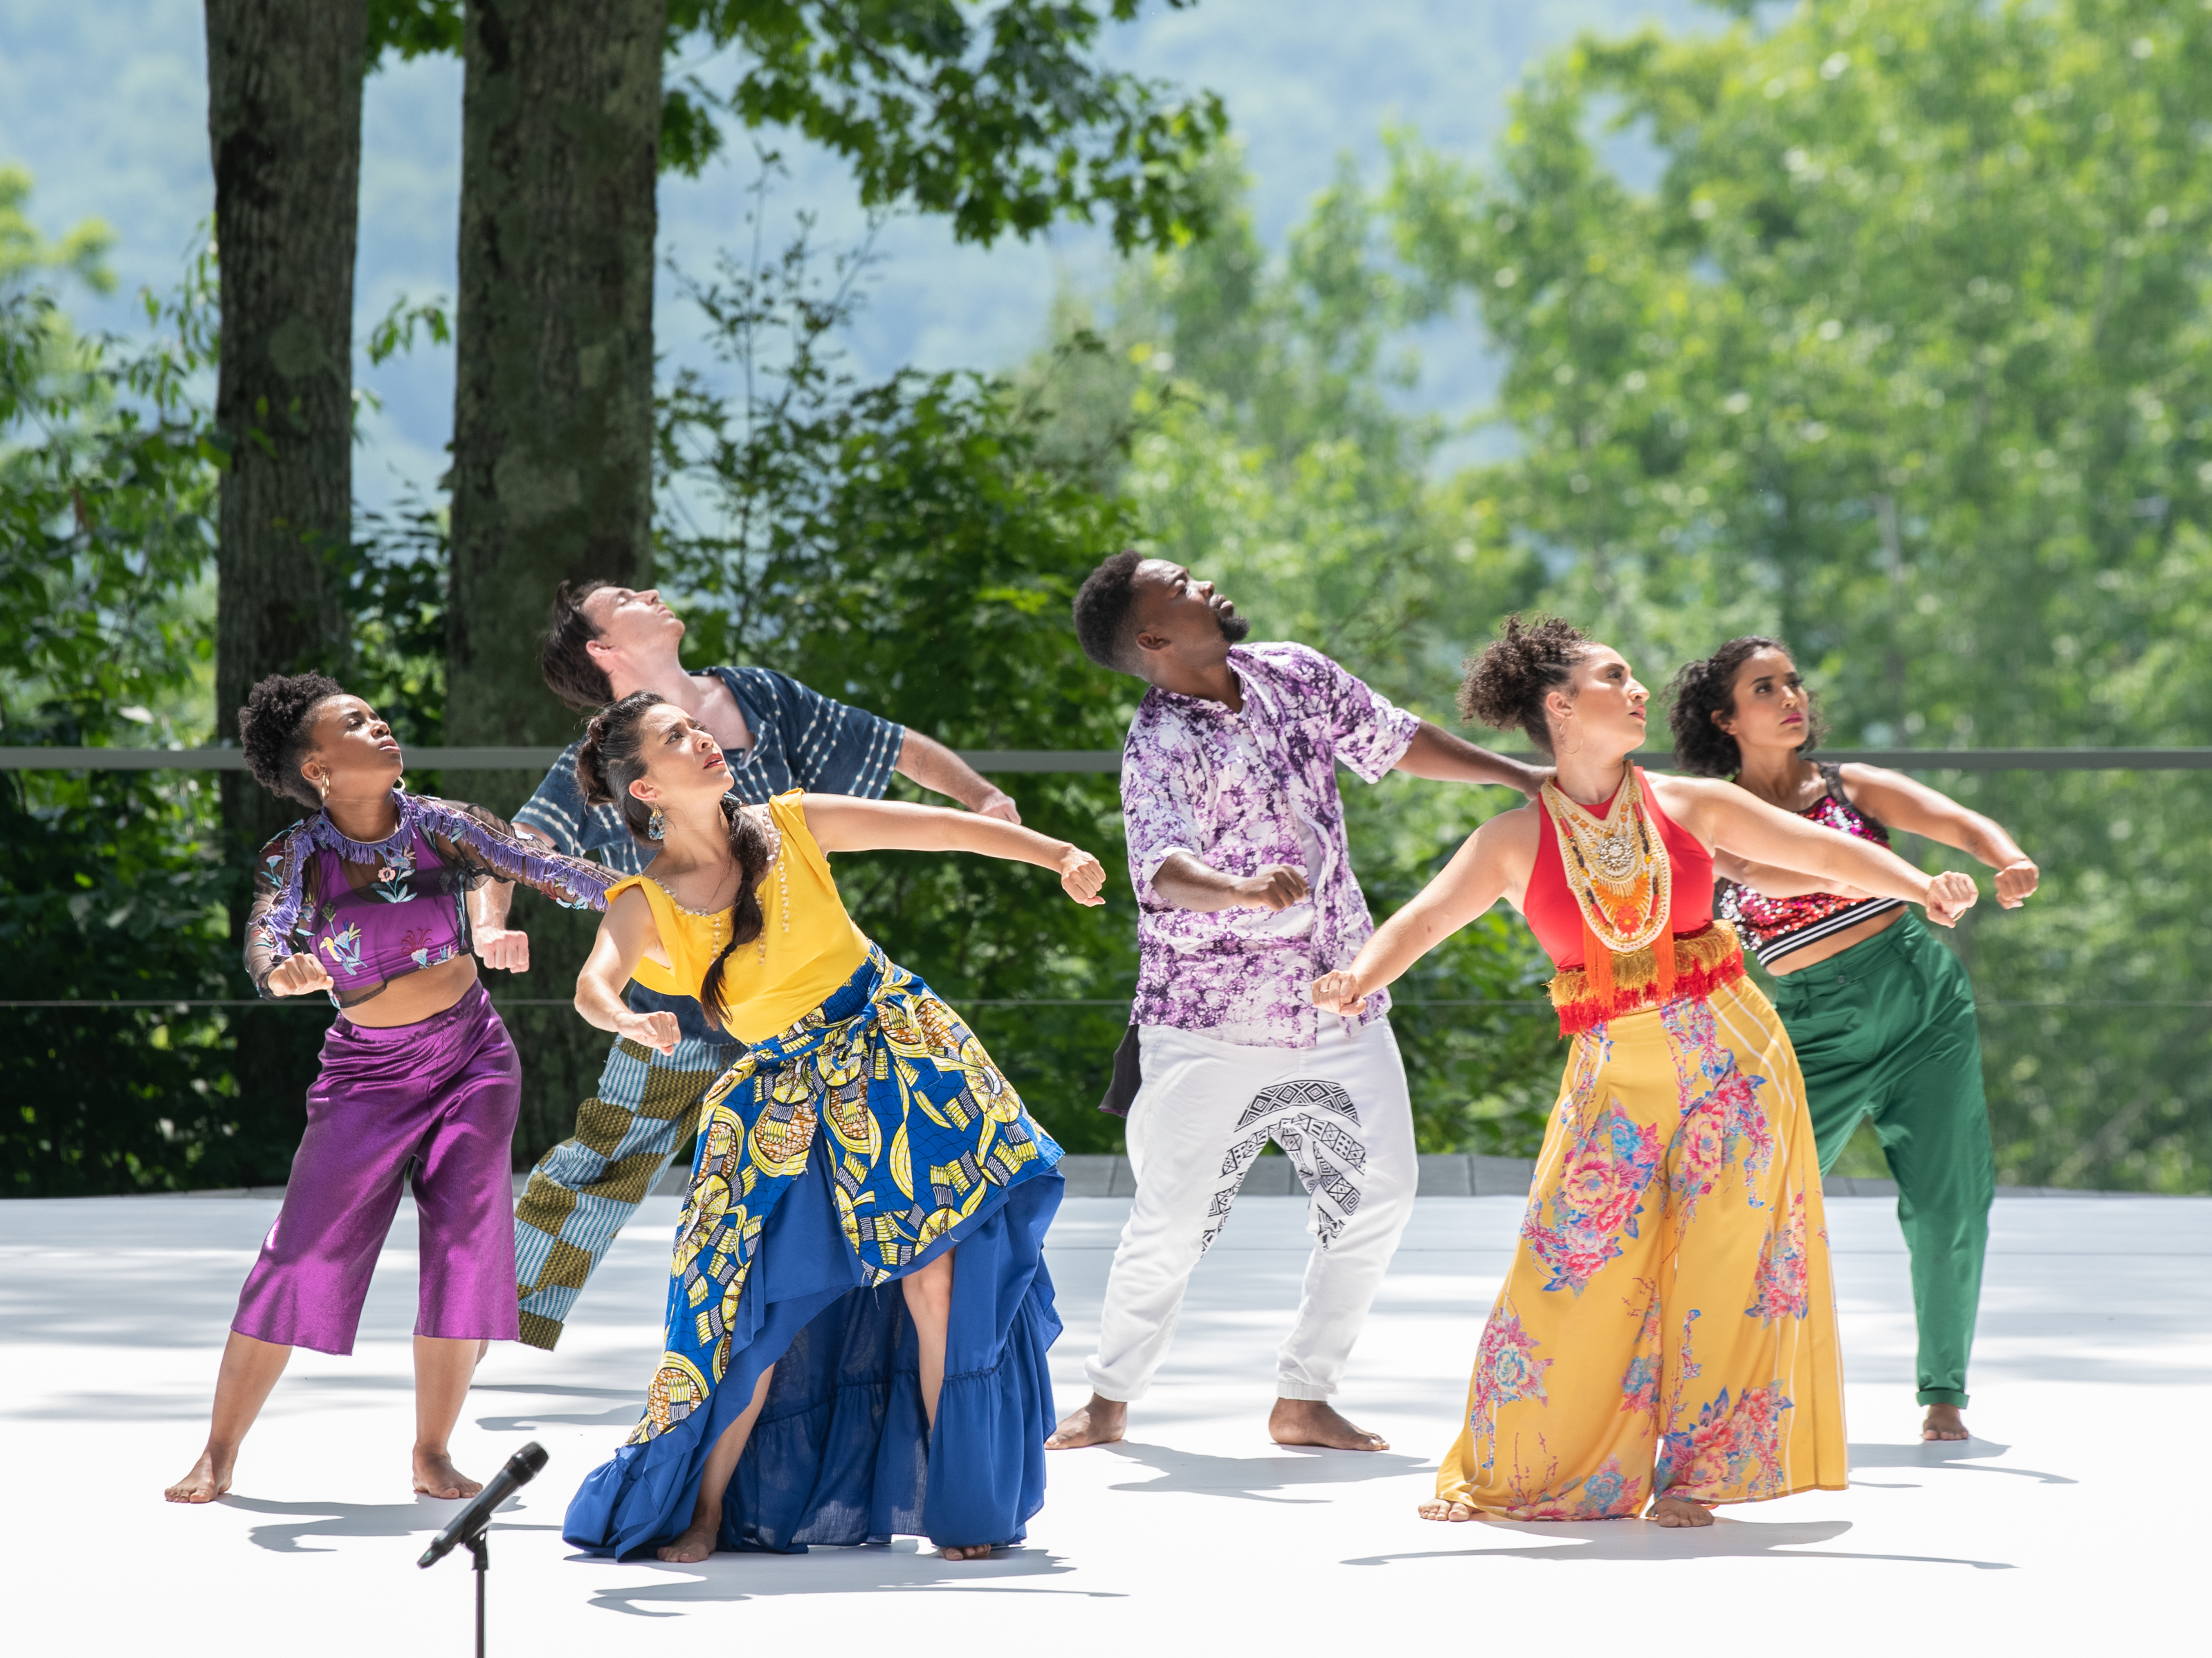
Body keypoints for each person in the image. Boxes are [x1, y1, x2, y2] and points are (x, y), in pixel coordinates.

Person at [1310, 616, 1980, 1526]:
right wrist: (1357, 976)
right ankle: (1529, 1471)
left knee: (1725, 1273)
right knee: (1565, 1268)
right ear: (1558, 705)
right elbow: (1423, 920)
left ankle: (1699, 1475)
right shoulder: (1511, 840)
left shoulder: (1689, 805)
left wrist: (1921, 886)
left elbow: (1820, 852)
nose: (1636, 691)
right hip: (1613, 1082)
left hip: (1734, 1068)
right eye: (1613, 676)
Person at [559, 692, 1106, 1563]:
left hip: (901, 1055)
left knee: (938, 1283)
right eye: (676, 738)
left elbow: (942, 829)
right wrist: (624, 1018)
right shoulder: (644, 900)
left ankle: (963, 1506)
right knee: (751, 1304)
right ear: (645, 788)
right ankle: (704, 1510)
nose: (702, 739)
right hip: (785, 1097)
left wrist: (1058, 854)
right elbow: (595, 983)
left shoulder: (790, 823)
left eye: (696, 727)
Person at [1046, 553, 1544, 1457]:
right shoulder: (1157, 741)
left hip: (1337, 990)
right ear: (1153, 637)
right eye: (1181, 588)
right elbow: (1159, 870)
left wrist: (1522, 780)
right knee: (1172, 1218)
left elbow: (1395, 738)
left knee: (1382, 1193)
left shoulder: (1293, 673)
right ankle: (1110, 1397)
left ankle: (1304, 1399)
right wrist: (1235, 890)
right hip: (1211, 1016)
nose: (1205, 585)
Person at [493, 580, 1023, 1351]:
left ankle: (853, 1351)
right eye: (626, 598)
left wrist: (981, 796)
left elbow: (891, 744)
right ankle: (494, 1314)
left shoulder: (758, 697)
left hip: (801, 1007)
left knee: (840, 1175)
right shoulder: (609, 762)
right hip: (680, 1010)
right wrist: (490, 921)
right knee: (608, 1154)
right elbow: (515, 847)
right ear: (602, 649)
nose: (651, 592)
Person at [164, 674, 615, 1506]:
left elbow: (541, 866)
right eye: (356, 722)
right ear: (317, 768)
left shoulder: (444, 824)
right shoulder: (298, 856)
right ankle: (218, 1453)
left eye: (376, 716)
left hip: (473, 1057)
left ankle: (432, 1453)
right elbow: (266, 932)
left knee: (466, 1249)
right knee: (300, 1253)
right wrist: (282, 970)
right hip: (366, 1076)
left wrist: (643, 896)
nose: (379, 726)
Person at [1670, 637, 2034, 1443]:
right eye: (1764, 689)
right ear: (1723, 719)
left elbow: (1956, 821)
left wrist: (2006, 860)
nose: (1790, 697)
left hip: (1921, 1005)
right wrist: (1874, 876)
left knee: (1947, 1205)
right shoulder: (1709, 813)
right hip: (1812, 1028)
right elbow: (1767, 872)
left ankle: (1943, 1395)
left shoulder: (1850, 786)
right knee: (1753, 1199)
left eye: (1792, 682)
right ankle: (1713, 1388)